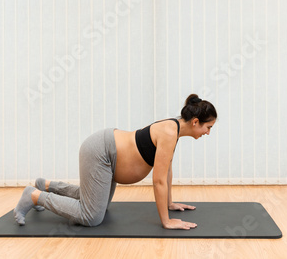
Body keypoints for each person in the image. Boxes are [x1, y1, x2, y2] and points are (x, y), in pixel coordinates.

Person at [13, 94, 217, 230]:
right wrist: (166, 221)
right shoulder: (170, 131)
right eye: (208, 127)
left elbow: (167, 169)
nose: (208, 133)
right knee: (91, 216)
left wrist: (169, 203)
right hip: (101, 152)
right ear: (195, 122)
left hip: (108, 155)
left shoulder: (175, 130)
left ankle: (46, 185)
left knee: (98, 203)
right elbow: (158, 181)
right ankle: (34, 196)